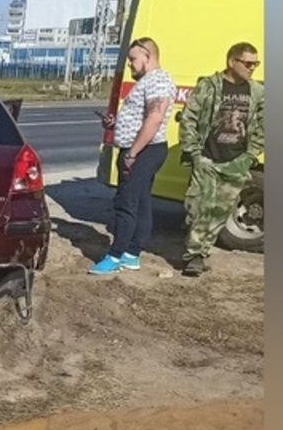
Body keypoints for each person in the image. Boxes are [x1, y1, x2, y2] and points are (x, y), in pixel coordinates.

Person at [90, 37, 177, 276]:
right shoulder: (150, 81)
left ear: (148, 56)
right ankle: (132, 254)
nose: (130, 65)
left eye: (133, 59)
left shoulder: (158, 80)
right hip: (142, 149)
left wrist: (132, 153)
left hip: (144, 151)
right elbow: (141, 116)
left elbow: (154, 118)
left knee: (126, 203)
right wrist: (116, 123)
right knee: (141, 201)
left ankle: (115, 255)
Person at [176, 42, 265, 276]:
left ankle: (202, 253)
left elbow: (264, 125)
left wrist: (250, 155)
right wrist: (195, 153)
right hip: (207, 159)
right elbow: (188, 119)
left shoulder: (256, 91)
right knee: (198, 209)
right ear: (231, 61)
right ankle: (192, 256)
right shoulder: (209, 86)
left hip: (236, 162)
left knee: (220, 212)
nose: (251, 68)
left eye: (255, 63)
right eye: (247, 63)